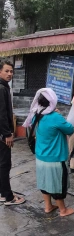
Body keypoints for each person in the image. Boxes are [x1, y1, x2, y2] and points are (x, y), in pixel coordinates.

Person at [25, 88, 74, 216]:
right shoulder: (55, 117)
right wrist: (58, 116)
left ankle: (48, 206)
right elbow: (70, 129)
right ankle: (63, 210)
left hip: (41, 156)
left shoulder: (36, 114)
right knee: (58, 183)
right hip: (55, 157)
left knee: (44, 182)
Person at [0, 61, 25, 206]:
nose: (10, 74)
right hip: (3, 134)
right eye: (7, 71)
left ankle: (3, 192)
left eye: (11, 71)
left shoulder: (4, 87)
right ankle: (8, 197)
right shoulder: (1, 88)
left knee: (2, 163)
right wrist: (7, 134)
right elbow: (1, 114)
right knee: (5, 164)